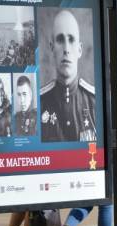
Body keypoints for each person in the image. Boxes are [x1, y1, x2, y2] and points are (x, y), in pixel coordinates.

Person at [40, 9, 96, 142]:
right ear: (52, 48)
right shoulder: (40, 104)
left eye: (71, 40)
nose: (66, 49)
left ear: (80, 49)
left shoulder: (94, 102)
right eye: (60, 40)